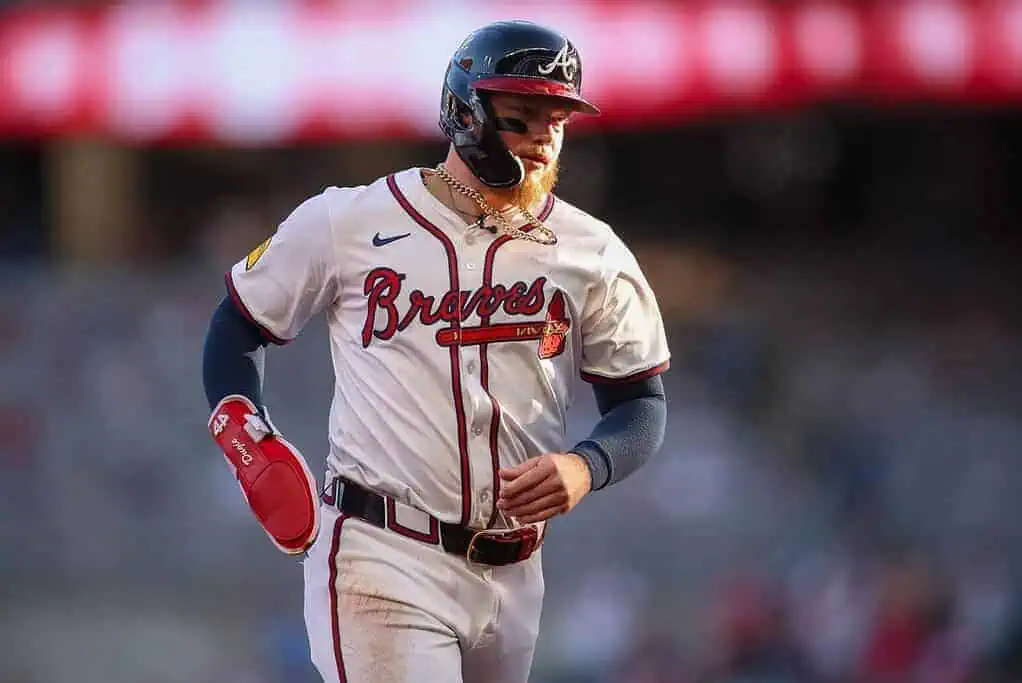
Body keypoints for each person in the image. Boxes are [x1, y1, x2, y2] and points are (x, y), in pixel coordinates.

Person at [202, 19, 670, 683]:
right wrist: (244, 433)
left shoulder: (591, 250)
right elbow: (238, 320)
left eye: (557, 119)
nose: (544, 137)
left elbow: (641, 404)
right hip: (384, 552)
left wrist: (586, 465)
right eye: (523, 116)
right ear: (467, 113)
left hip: (515, 571)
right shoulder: (350, 220)